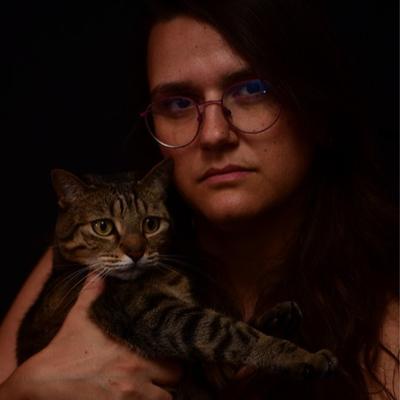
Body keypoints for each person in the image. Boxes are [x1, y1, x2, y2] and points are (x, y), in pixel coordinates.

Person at [0, 0, 398, 399]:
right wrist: (26, 389)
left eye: (252, 89)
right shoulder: (89, 264)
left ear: (315, 106)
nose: (213, 134)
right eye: (178, 103)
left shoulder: (386, 332)